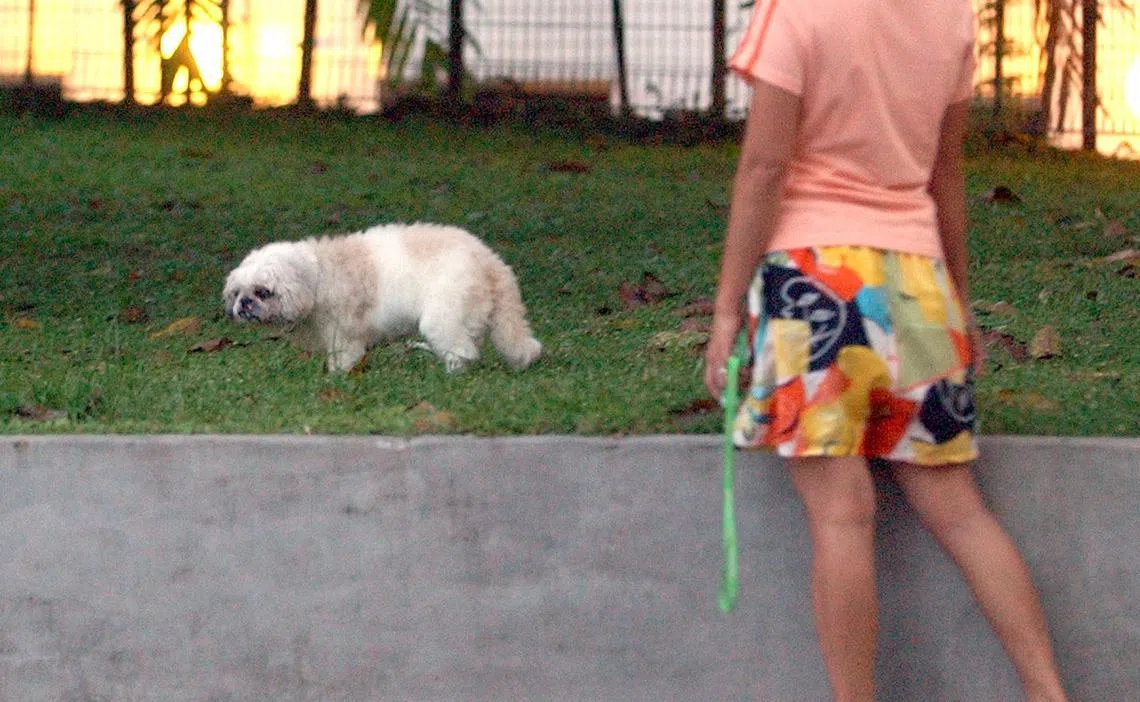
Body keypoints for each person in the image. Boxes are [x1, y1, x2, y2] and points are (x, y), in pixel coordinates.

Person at [702, 2, 1069, 700]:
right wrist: (957, 301)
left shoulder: (797, 14)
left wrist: (726, 310)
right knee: (961, 509)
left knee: (842, 515)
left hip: (818, 281)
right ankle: (1049, 691)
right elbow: (946, 175)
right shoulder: (951, 17)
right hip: (918, 282)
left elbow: (763, 170)